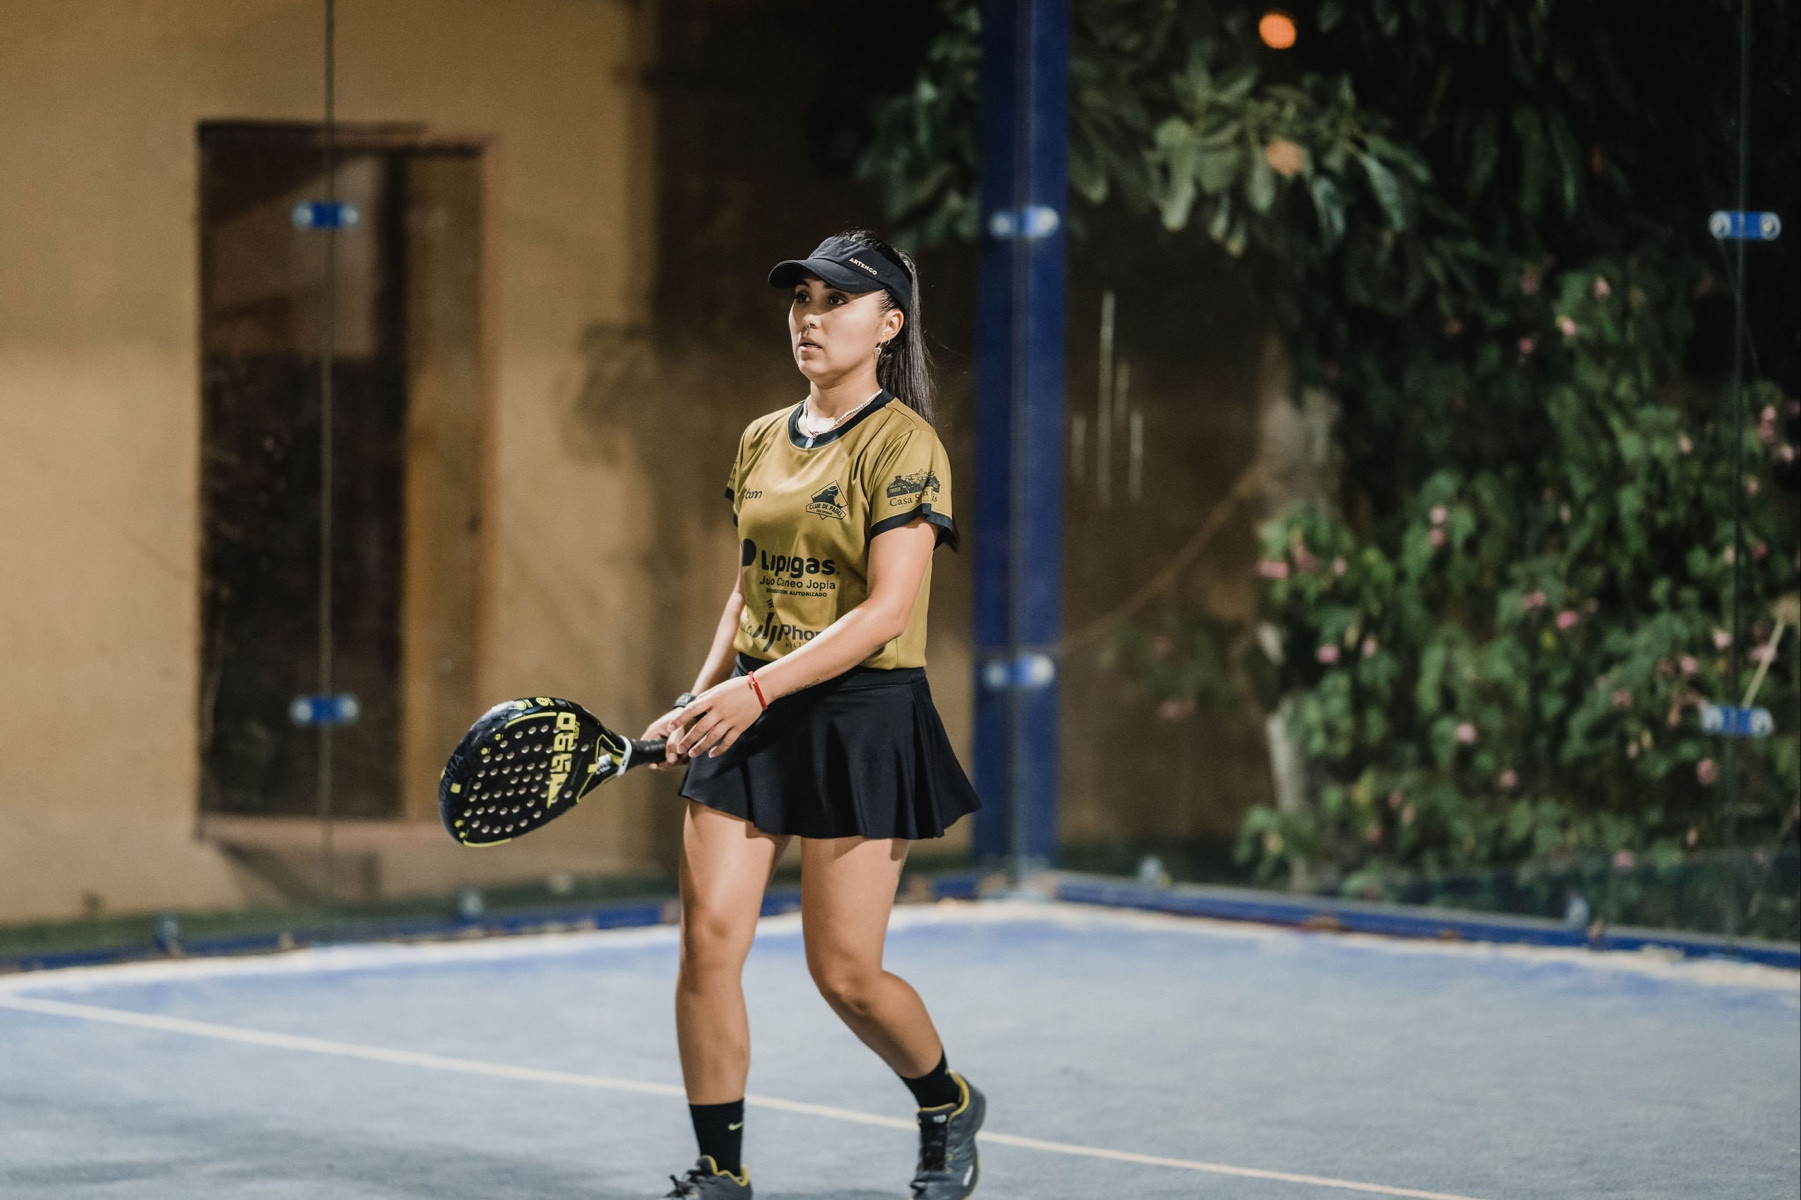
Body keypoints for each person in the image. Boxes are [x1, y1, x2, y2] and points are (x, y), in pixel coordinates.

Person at [640, 231, 985, 1199]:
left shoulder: (905, 445)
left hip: (859, 717)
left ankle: (946, 1101)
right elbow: (745, 587)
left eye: (836, 302)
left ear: (888, 324)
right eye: (802, 299)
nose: (810, 317)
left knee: (844, 976)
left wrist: (750, 691)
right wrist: (700, 695)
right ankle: (720, 1172)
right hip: (748, 707)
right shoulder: (760, 436)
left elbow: (885, 612)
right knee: (707, 944)